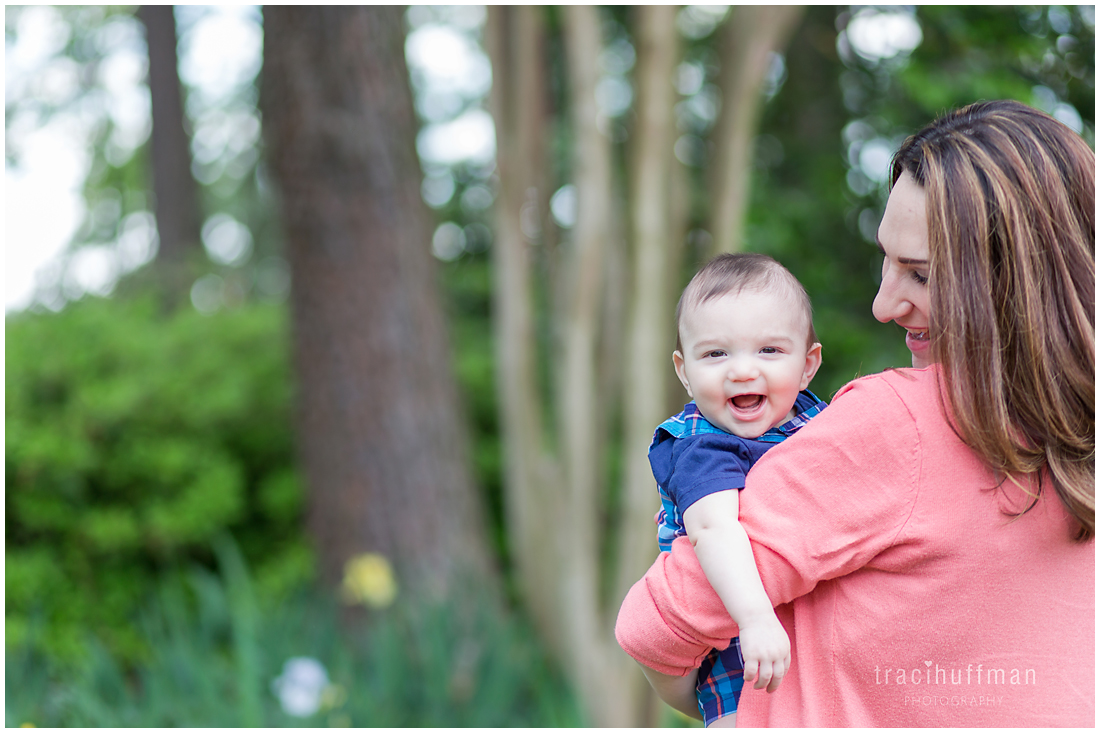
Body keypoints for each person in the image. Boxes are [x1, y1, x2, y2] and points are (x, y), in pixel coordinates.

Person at [615, 100, 1094, 727]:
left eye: (919, 275)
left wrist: (723, 700)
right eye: (885, 261)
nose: (883, 303)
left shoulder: (902, 424)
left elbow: (655, 628)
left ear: (1008, 282)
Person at [632, 253, 825, 727]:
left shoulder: (818, 422)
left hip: (814, 638)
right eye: (716, 354)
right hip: (740, 654)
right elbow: (714, 529)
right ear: (684, 370)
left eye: (769, 351)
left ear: (807, 365)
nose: (742, 370)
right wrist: (755, 618)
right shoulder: (700, 444)